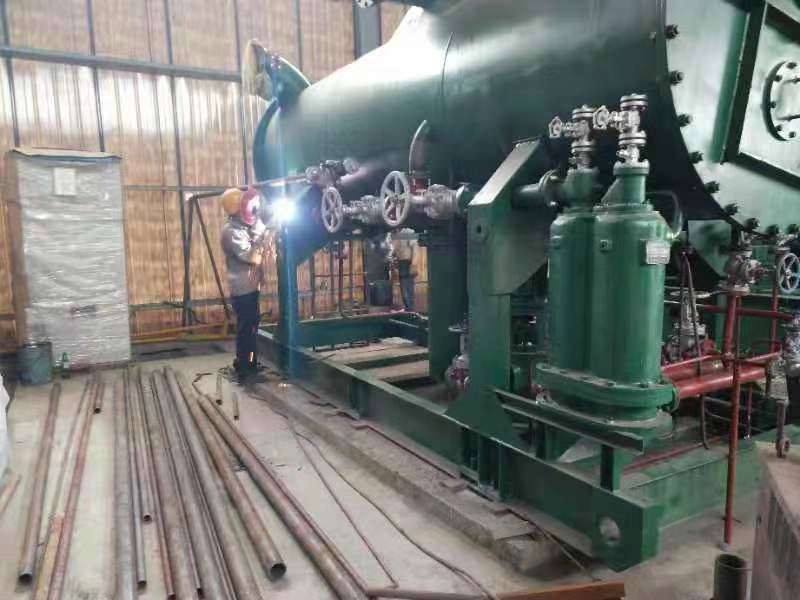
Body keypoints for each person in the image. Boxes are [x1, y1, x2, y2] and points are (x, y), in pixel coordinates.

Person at [221, 187, 268, 383]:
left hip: (251, 287)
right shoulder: (231, 232)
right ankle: (243, 367)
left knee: (252, 327)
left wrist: (263, 224)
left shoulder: (245, 225)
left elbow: (259, 230)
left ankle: (250, 362)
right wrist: (263, 237)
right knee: (246, 329)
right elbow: (252, 257)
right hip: (242, 290)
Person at [388, 228, 417, 312]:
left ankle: (410, 309)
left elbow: (415, 248)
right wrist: (391, 257)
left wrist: (414, 264)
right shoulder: (393, 233)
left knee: (407, 286)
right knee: (403, 287)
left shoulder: (409, 232)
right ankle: (408, 308)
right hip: (400, 262)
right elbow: (394, 248)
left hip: (408, 262)